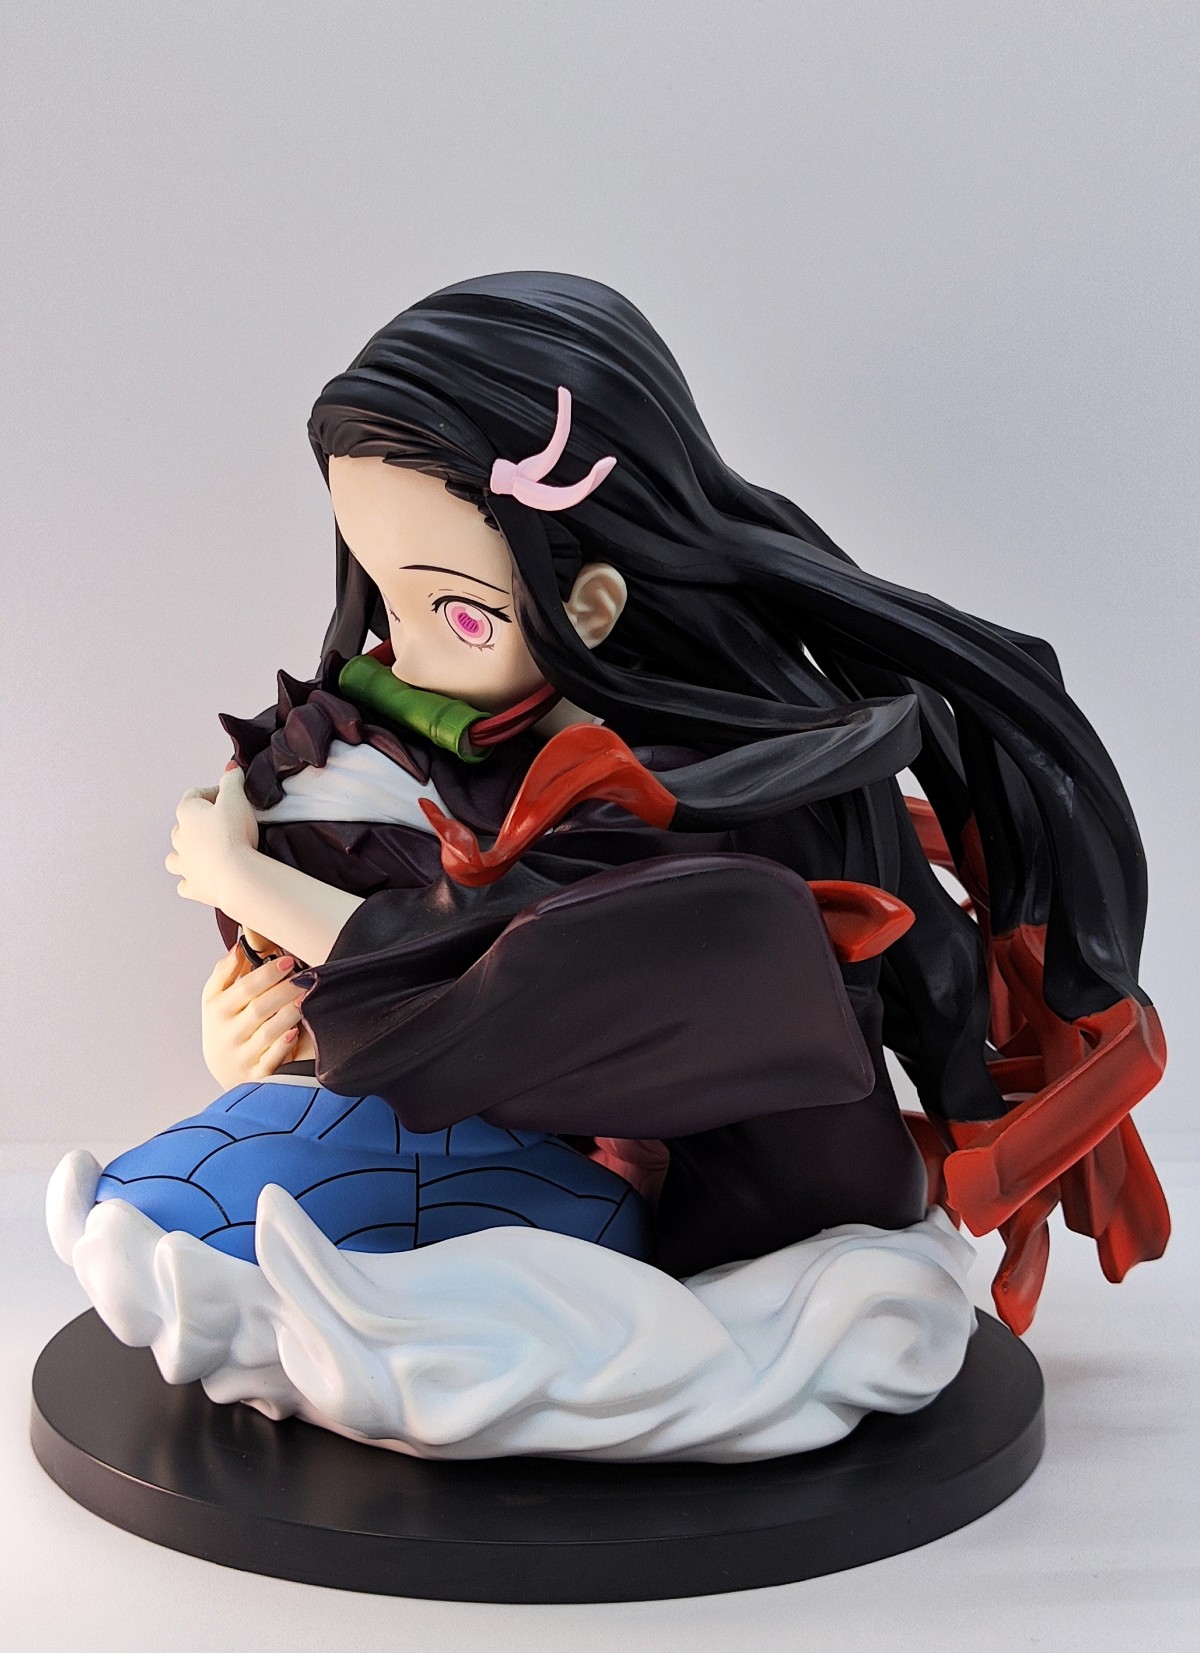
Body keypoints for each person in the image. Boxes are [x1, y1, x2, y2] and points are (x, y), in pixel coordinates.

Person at [98, 270, 1166, 1332]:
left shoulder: (706, 810)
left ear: (593, 603)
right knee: (194, 1198)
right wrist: (256, 1042)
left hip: (707, 1238)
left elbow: (506, 985)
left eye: (457, 614)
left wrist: (245, 878)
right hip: (546, 1165)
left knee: (199, 1213)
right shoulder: (479, 744)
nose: (405, 656)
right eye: (387, 595)